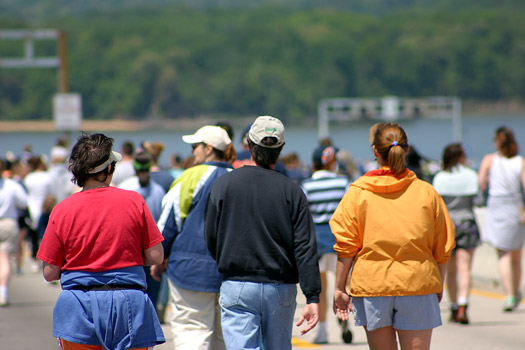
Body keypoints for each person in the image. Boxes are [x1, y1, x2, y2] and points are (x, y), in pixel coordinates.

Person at [331, 122, 455, 350]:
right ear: (406, 150)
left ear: (375, 152)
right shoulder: (426, 192)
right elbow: (443, 247)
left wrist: (339, 287)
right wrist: (439, 283)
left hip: (373, 286)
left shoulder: (358, 192)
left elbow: (346, 246)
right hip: (418, 284)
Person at [36, 133, 165, 350]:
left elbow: (50, 272)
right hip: (130, 305)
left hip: (78, 308)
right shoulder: (133, 201)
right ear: (107, 170)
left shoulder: (62, 210)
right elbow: (156, 255)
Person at [204, 116, 321, 350]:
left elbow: (211, 236)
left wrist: (227, 260)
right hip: (280, 285)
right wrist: (312, 296)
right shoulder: (293, 191)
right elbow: (305, 247)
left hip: (237, 282)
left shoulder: (224, 185)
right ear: (281, 150)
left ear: (248, 144)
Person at [152, 125, 235, 350]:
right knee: (224, 336)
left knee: (192, 332)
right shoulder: (236, 177)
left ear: (208, 149)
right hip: (232, 270)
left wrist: (159, 256)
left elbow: (169, 221)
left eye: (194, 146)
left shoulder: (189, 176)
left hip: (190, 269)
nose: (192, 152)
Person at [301, 145, 351, 344]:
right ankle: (344, 315)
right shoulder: (343, 182)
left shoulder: (307, 186)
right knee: (343, 285)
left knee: (321, 288)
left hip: (317, 243)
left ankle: (322, 331)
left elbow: (304, 217)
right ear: (332, 161)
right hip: (341, 241)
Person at [433, 143, 481, 324]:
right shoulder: (470, 176)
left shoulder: (440, 177)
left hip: (448, 226)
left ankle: (453, 306)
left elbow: (436, 205)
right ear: (461, 157)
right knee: (465, 268)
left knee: (450, 271)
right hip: (467, 223)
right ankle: (463, 305)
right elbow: (477, 200)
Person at [478, 126, 525, 312]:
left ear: (497, 141)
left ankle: (510, 295)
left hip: (497, 207)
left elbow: (481, 183)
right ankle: (515, 291)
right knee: (516, 255)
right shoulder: (520, 162)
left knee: (503, 254)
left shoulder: (490, 160)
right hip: (515, 207)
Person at [119, 151, 167, 310]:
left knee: (148, 293)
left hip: (145, 250)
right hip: (134, 250)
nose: (143, 175)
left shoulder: (156, 190)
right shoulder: (127, 188)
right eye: (142, 172)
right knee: (136, 294)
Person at [0, 159, 28, 306]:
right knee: (4, 258)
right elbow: (23, 202)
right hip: (8, 221)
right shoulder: (12, 185)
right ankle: (3, 292)